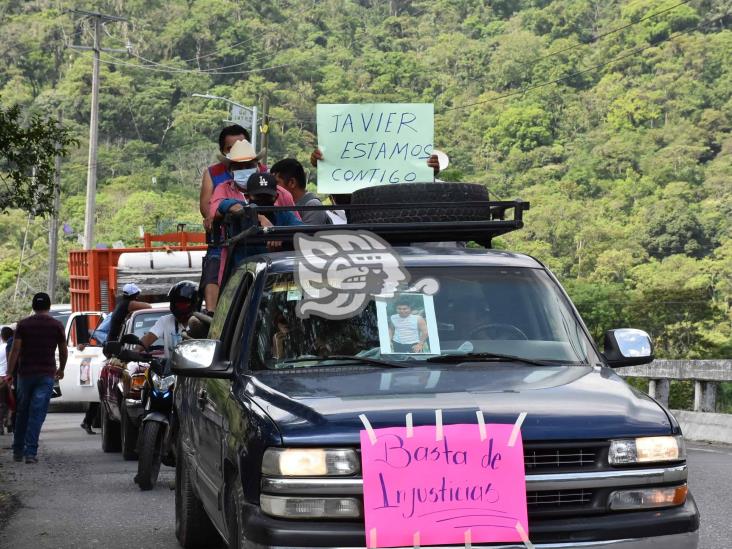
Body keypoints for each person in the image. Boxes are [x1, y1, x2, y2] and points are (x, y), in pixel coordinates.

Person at [200, 127, 298, 311]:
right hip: (239, 261)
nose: (245, 170)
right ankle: (212, 313)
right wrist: (257, 216)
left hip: (275, 265)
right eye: (239, 166)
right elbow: (214, 209)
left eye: (249, 165)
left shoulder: (281, 195)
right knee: (215, 260)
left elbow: (297, 225)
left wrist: (277, 234)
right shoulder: (223, 188)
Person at [210, 147, 303, 286]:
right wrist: (257, 216)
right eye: (258, 196)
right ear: (248, 197)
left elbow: (302, 230)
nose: (263, 200)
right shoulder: (236, 211)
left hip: (278, 276)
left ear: (276, 196)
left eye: (268, 197)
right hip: (244, 279)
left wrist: (278, 235)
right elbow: (221, 206)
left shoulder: (284, 213)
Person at [3, 293, 67, 463]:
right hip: (46, 374)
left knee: (23, 411)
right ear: (49, 306)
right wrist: (62, 368)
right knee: (37, 412)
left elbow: (15, 350)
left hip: (25, 375)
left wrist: (9, 373)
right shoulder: (56, 325)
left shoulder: (23, 325)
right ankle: (30, 452)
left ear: (33, 306)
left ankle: (18, 450)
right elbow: (63, 350)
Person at [140, 281, 199, 359]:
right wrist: (133, 351)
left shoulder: (202, 324)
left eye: (182, 304)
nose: (178, 307)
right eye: (176, 303)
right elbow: (146, 340)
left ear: (193, 303)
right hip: (170, 370)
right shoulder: (165, 321)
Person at [270, 158, 332, 225]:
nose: (272, 186)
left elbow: (307, 234)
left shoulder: (312, 206)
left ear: (292, 182)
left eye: (276, 182)